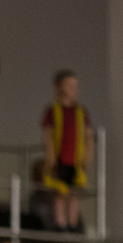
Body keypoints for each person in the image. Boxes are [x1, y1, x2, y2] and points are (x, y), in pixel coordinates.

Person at [40, 70, 95, 230]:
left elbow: (88, 136)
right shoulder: (53, 110)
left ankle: (72, 223)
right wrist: (50, 157)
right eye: (69, 85)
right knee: (60, 193)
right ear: (60, 87)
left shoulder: (81, 111)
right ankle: (60, 224)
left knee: (74, 193)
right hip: (60, 159)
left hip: (76, 160)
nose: (73, 89)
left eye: (75, 85)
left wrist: (87, 157)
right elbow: (48, 135)